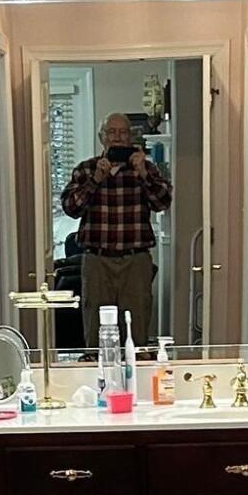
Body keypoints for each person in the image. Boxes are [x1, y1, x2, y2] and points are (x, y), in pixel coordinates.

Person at [60, 112, 170, 346]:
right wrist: (96, 180)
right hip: (97, 260)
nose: (117, 137)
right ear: (103, 138)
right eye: (112, 132)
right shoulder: (86, 170)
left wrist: (143, 176)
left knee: (137, 329)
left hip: (135, 260)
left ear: (131, 138)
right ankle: (97, 378)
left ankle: (135, 376)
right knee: (95, 329)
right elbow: (71, 207)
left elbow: (163, 202)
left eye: (123, 132)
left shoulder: (147, 170)